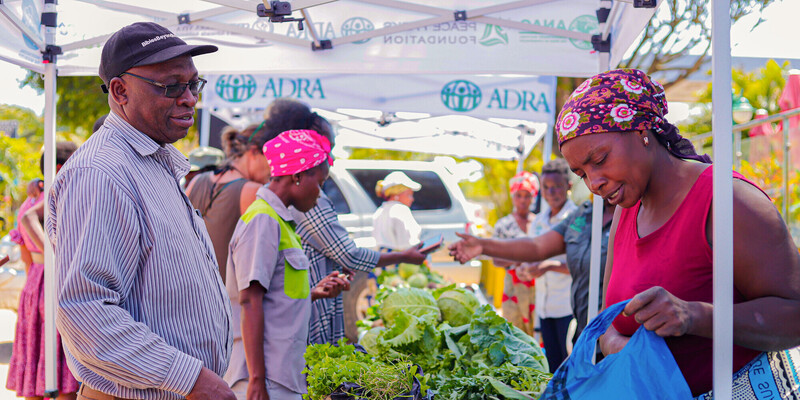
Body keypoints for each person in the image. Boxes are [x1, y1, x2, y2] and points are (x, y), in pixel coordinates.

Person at [557, 68, 800, 396]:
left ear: (641, 131)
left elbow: (794, 315)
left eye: (599, 159)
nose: (593, 183)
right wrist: (617, 346)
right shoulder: (626, 213)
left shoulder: (727, 201)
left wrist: (694, 315)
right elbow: (607, 318)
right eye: (581, 174)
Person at [46, 22, 234, 400]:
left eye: (193, 84)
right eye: (171, 86)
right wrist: (192, 379)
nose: (189, 99)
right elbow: (85, 311)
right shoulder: (101, 173)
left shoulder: (152, 160)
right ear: (120, 91)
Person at [255, 98, 429, 345]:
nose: (330, 158)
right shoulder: (279, 211)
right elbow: (250, 302)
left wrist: (319, 288)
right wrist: (404, 256)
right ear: (300, 172)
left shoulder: (285, 204)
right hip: (305, 328)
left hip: (307, 316)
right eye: (326, 149)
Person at [223, 129, 348, 400]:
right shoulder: (263, 220)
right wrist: (257, 380)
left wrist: (312, 293)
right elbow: (250, 301)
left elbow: (273, 296)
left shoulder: (281, 223)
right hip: (266, 377)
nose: (320, 194)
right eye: (320, 182)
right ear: (298, 176)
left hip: (281, 374)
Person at [8, 145, 80, 400]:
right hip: (55, 281)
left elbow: (25, 255)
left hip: (33, 283)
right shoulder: (60, 197)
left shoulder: (29, 200)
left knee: (35, 359)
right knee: (63, 373)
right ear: (61, 167)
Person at [186, 129, 267, 283]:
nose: (272, 167)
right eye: (269, 157)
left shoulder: (197, 180)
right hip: (225, 291)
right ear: (254, 152)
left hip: (190, 284)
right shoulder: (253, 191)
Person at [525, 158, 577, 372]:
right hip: (544, 308)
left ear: (568, 186)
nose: (551, 192)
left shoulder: (577, 219)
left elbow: (580, 264)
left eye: (556, 186)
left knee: (569, 367)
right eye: (546, 187)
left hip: (567, 308)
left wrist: (547, 266)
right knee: (552, 367)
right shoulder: (538, 221)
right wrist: (526, 267)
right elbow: (530, 254)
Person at [492, 171, 539, 336]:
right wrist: (518, 259)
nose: (523, 200)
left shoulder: (539, 223)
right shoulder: (503, 225)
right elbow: (496, 260)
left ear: (533, 198)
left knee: (536, 331)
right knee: (514, 332)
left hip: (536, 286)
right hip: (513, 287)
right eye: (519, 195)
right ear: (513, 197)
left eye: (527, 196)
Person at [372, 171, 423, 250]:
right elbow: (408, 244)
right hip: (401, 256)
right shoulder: (401, 210)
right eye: (409, 195)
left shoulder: (379, 211)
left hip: (383, 257)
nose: (412, 199)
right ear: (397, 194)